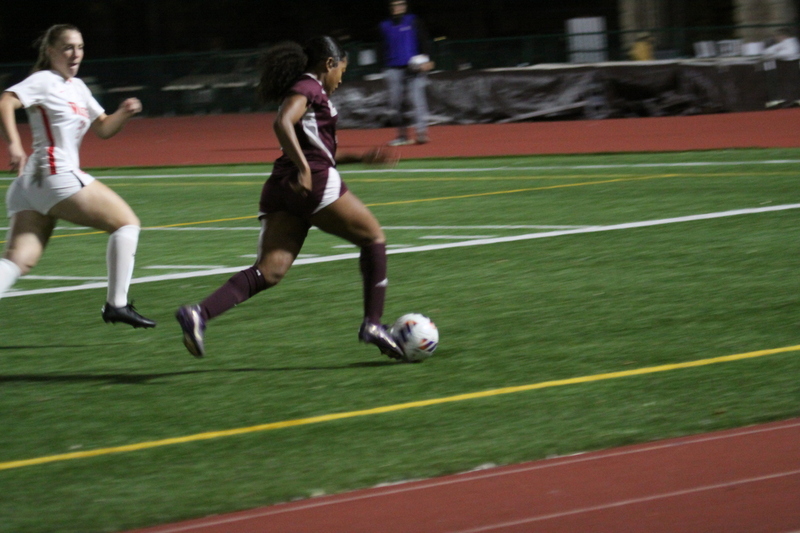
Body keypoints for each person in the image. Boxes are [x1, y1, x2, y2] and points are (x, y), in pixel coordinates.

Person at [175, 36, 404, 360]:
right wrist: (305, 169)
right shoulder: (309, 87)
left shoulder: (309, 90)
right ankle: (373, 324)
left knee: (270, 271)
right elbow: (282, 122)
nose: (341, 78)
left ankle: (199, 313)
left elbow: (316, 148)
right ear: (329, 64)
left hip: (283, 187)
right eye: (342, 70)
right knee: (374, 238)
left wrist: (362, 157)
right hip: (310, 183)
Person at [0, 24, 156, 328]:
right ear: (51, 51)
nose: (76, 54)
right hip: (54, 173)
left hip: (32, 184)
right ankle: (117, 305)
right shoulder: (44, 80)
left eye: (81, 47)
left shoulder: (78, 86)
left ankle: (117, 305)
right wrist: (14, 145)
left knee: (20, 260)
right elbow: (6, 100)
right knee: (127, 223)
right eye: (68, 47)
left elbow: (103, 128)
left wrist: (124, 113)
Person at [380, 0, 434, 146]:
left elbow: (424, 40)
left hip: (414, 68)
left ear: (404, 6)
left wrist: (427, 59)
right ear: (390, 8)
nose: (397, 7)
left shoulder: (413, 21)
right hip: (392, 69)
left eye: (400, 4)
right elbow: (381, 47)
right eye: (394, 5)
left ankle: (421, 133)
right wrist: (382, 67)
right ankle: (402, 136)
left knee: (418, 101)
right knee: (396, 104)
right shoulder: (384, 25)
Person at [762, 29, 800, 108]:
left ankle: (793, 100)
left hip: (792, 64)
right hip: (785, 65)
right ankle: (788, 100)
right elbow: (768, 51)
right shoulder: (782, 44)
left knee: (791, 83)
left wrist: (775, 54)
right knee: (786, 83)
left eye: (777, 36)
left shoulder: (792, 42)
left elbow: (791, 52)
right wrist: (771, 53)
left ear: (783, 36)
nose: (776, 38)